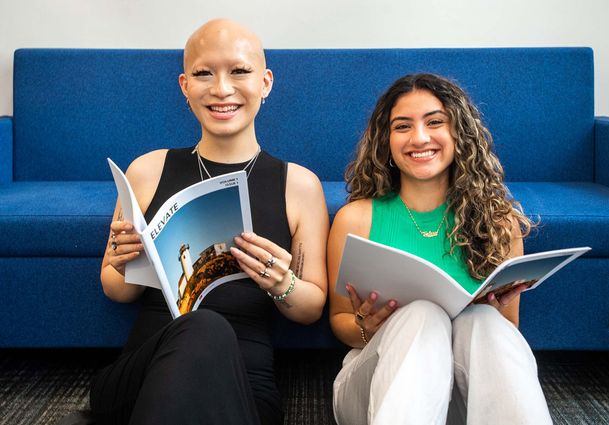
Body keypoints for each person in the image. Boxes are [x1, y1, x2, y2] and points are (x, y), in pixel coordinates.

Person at [90, 19, 329, 425]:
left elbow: (310, 308)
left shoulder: (299, 185)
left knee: (210, 330)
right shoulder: (147, 170)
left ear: (266, 82)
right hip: (143, 374)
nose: (221, 89)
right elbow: (115, 290)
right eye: (204, 73)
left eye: (239, 71)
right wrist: (121, 262)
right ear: (185, 86)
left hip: (241, 385)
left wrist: (281, 282)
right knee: (202, 327)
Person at [328, 73, 552, 425]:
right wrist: (367, 327)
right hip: (376, 393)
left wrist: (482, 310)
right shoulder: (356, 219)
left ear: (459, 133)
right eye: (402, 126)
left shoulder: (499, 221)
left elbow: (509, 331)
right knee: (421, 315)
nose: (419, 138)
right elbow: (339, 321)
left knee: (485, 323)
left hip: (466, 400)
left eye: (435, 122)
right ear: (386, 141)